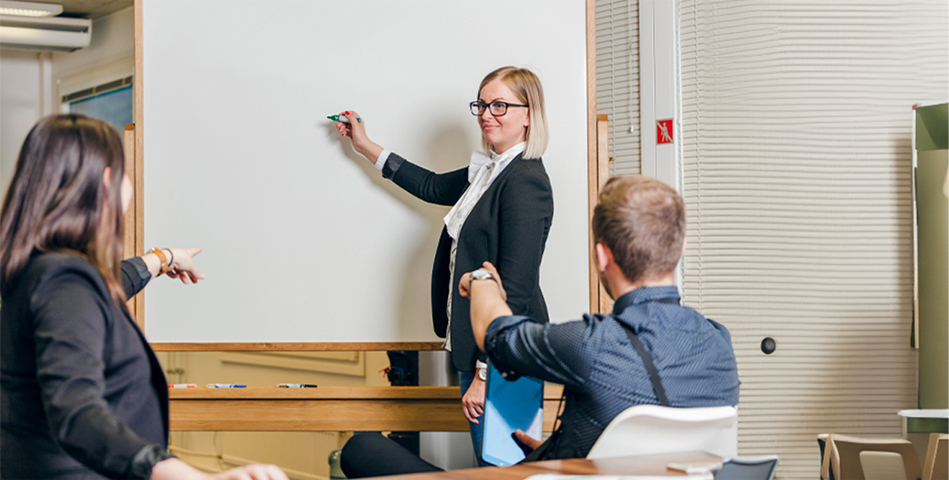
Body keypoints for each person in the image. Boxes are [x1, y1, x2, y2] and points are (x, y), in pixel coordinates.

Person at [339, 175, 740, 477]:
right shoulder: (719, 344)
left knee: (363, 448)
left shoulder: (593, 344)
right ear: (679, 247)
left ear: (602, 256)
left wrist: (479, 281)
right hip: (567, 470)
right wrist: (561, 451)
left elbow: (495, 333)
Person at [0, 114, 288, 480]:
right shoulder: (65, 280)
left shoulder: (39, 268)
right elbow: (77, 413)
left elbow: (100, 292)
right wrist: (195, 478)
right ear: (107, 181)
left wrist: (160, 259)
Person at [335, 66, 553, 456]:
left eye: (500, 105)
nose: (487, 114)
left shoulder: (524, 181)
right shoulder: (489, 172)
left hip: (505, 359)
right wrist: (365, 145)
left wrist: (487, 374)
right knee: (495, 462)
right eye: (482, 104)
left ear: (529, 115)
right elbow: (431, 185)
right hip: (481, 349)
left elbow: (515, 291)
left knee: (505, 466)